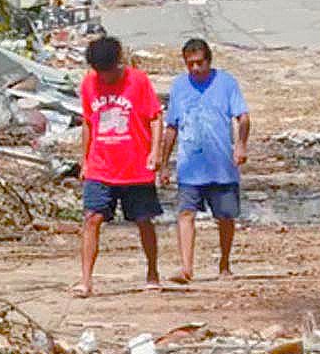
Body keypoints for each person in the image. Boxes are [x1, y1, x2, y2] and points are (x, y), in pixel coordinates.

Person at [74, 37, 163, 298]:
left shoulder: (139, 81)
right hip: (101, 166)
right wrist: (85, 160)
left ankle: (152, 272)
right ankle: (86, 281)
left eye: (108, 71)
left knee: (144, 220)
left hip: (135, 166)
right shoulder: (89, 84)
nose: (105, 77)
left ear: (118, 63)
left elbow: (155, 117)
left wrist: (155, 152)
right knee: (92, 218)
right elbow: (88, 123)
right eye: (99, 72)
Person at [160, 39, 250, 283]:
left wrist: (240, 146)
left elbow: (242, 117)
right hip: (190, 165)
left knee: (225, 217)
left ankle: (224, 263)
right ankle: (186, 268)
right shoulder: (179, 86)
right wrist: (164, 163)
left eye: (200, 63)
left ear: (209, 61)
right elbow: (171, 126)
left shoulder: (226, 83)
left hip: (221, 164)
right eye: (190, 64)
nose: (196, 68)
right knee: (185, 213)